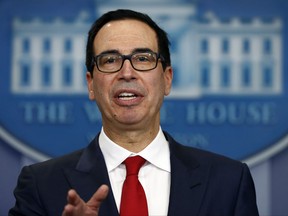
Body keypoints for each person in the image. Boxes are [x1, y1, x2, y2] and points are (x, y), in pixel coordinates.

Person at [9, 9, 259, 216]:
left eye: (142, 58)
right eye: (109, 60)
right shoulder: (41, 185)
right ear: (90, 84)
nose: (127, 73)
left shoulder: (229, 182)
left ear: (167, 79)